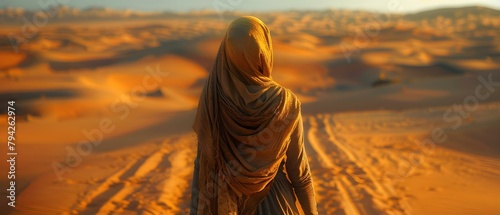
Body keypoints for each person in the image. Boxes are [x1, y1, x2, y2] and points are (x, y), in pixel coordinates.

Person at [190, 16, 318, 215]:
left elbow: (201, 167)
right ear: (263, 50)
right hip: (278, 206)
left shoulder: (213, 98)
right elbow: (300, 174)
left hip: (226, 206)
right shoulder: (285, 103)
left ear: (227, 51)